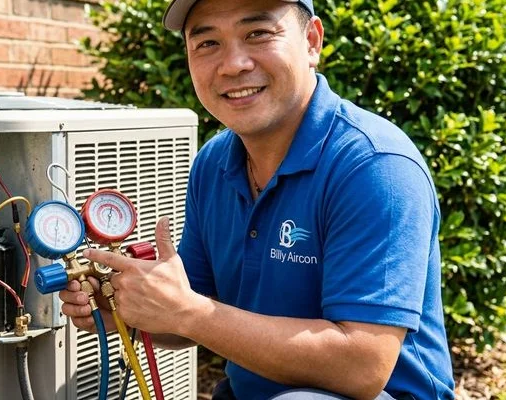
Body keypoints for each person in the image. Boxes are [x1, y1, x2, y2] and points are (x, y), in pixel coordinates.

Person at [59, 0, 455, 398]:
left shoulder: (374, 166)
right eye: (207, 43)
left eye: (258, 34)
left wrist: (189, 312)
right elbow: (200, 308)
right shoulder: (213, 163)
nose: (233, 64)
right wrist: (124, 310)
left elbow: (362, 366)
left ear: (312, 41)